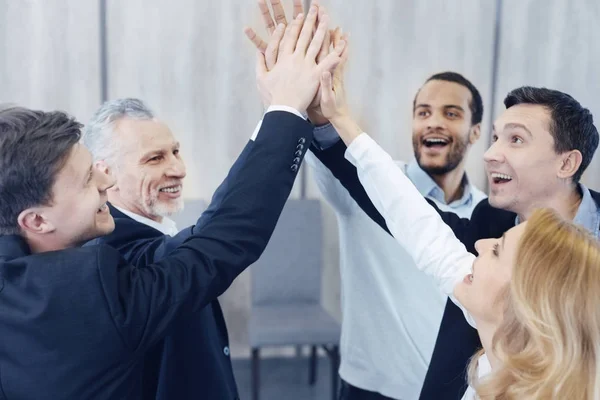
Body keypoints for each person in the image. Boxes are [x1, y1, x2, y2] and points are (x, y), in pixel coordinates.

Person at [0, 11, 345, 399]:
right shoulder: (100, 277)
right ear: (36, 220)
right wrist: (286, 106)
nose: (106, 182)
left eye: (175, 152)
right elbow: (220, 241)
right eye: (88, 179)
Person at [308, 71, 600, 399]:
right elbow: (419, 224)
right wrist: (338, 120)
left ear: (567, 163)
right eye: (496, 138)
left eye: (516, 139)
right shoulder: (489, 222)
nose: (490, 155)